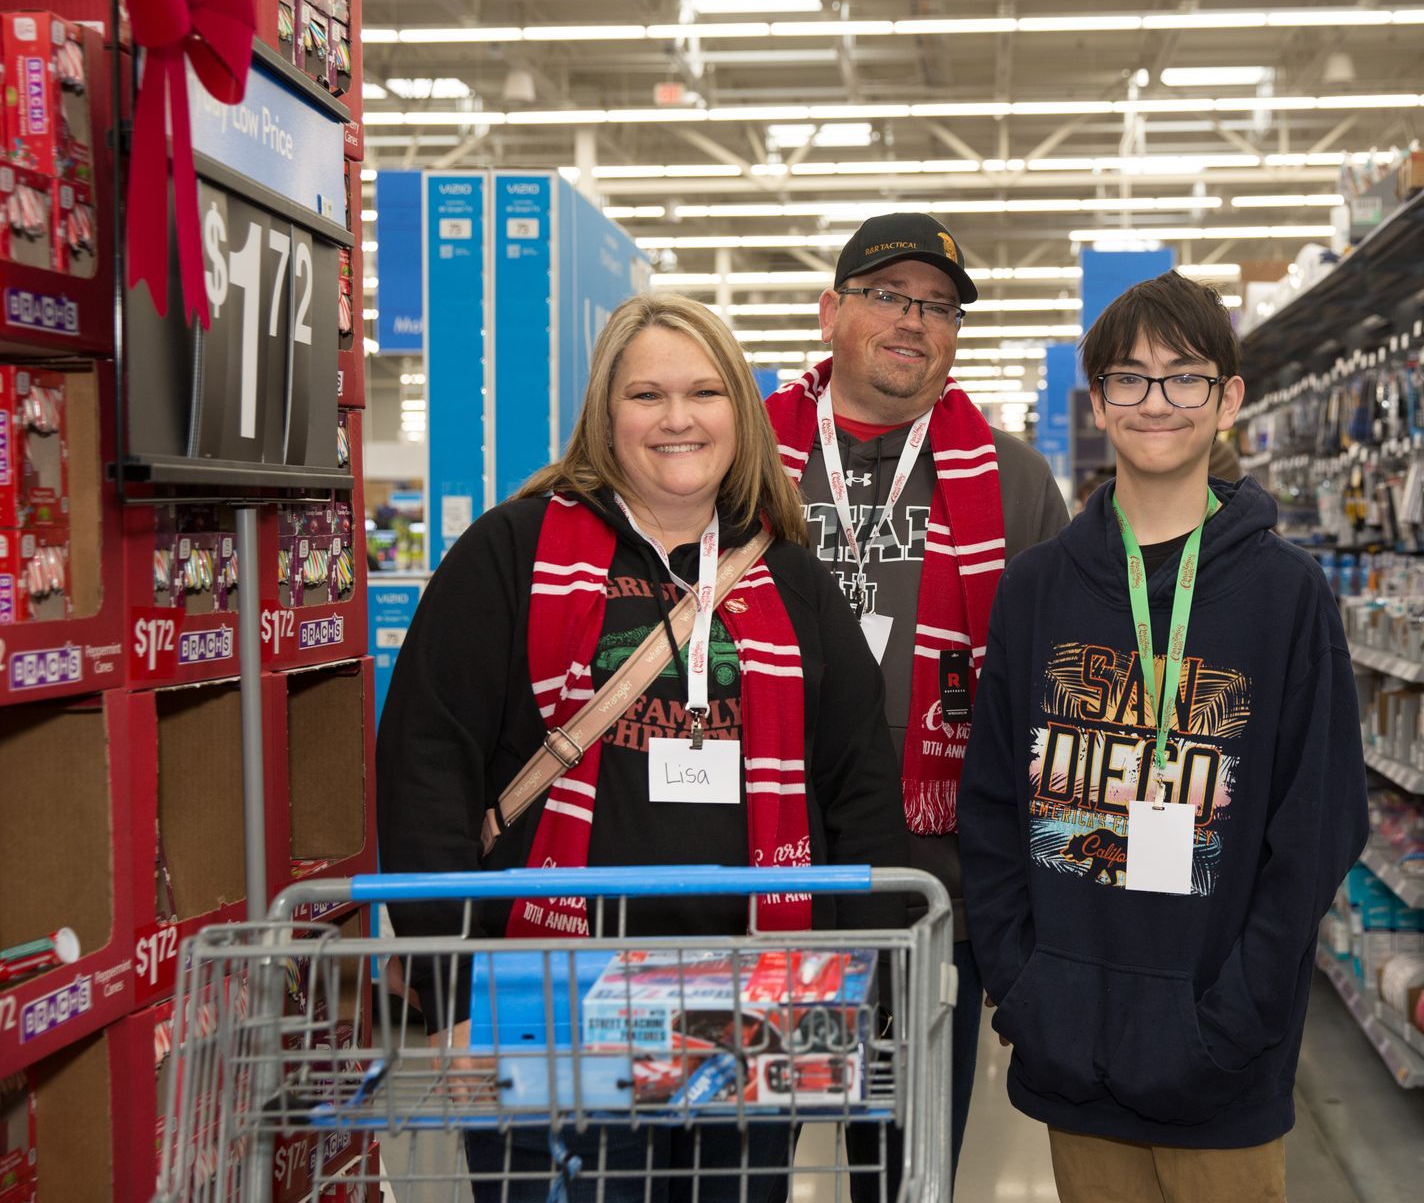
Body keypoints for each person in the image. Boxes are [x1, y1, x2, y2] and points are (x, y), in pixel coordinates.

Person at [377, 292, 910, 1203]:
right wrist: (450, 994)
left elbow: (859, 790)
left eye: (704, 393)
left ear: (737, 414)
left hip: (755, 1008)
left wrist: (866, 990)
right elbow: (427, 767)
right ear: (605, 414)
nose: (677, 419)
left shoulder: (792, 578)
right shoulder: (513, 552)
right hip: (545, 1007)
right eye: (646, 395)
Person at [957, 270, 1369, 1203]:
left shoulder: (1285, 594)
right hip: (1072, 1047)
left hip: (1221, 1062)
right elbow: (990, 805)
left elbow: (1318, 825)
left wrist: (1239, 1013)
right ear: (1097, 401)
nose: (1157, 401)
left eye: (1185, 376)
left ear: (1230, 397)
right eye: (1130, 378)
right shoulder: (1037, 589)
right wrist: (1026, 987)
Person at [763, 212, 1071, 1186]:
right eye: (890, 294)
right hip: (765, 872)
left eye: (939, 306)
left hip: (939, 893)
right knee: (742, 1152)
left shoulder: (1015, 481)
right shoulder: (736, 460)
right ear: (831, 312)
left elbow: (1051, 703)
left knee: (906, 1169)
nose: (915, 321)